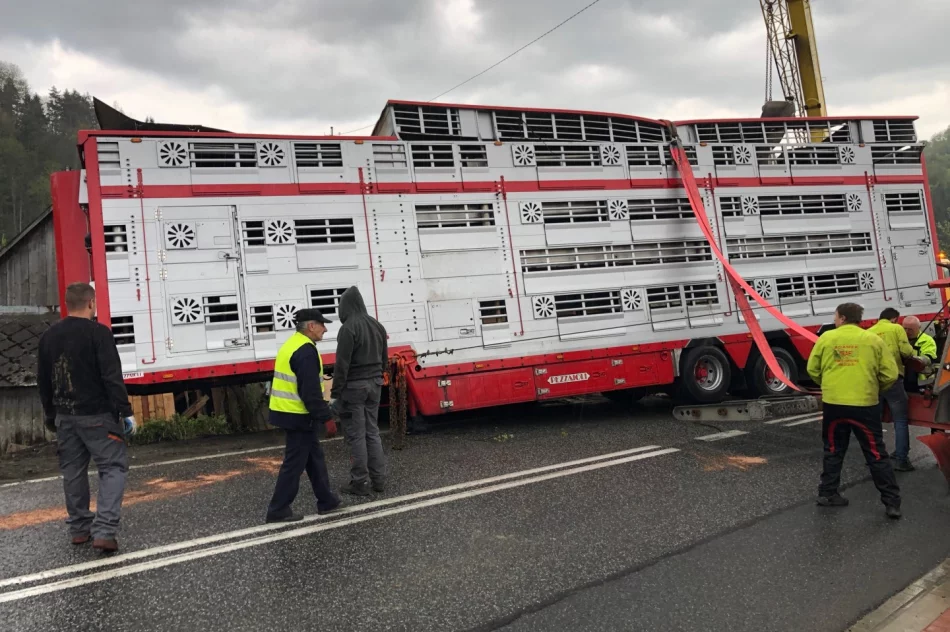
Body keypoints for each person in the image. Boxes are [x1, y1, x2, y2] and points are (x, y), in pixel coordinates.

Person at [37, 282, 136, 552]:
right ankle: (104, 531)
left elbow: (44, 381)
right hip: (98, 416)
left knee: (73, 472)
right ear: (91, 303)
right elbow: (111, 377)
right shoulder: (99, 334)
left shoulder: (48, 337)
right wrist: (126, 411)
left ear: (67, 304)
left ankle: (80, 529)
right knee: (112, 467)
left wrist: (50, 415)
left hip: (65, 416)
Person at [807, 302, 902, 519]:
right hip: (865, 404)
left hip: (834, 405)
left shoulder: (827, 338)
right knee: (875, 453)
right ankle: (891, 503)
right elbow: (890, 374)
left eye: (835, 316)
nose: (834, 320)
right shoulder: (873, 340)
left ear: (842, 318)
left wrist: (829, 385)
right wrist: (875, 388)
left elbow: (812, 369)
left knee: (833, 449)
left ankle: (827, 493)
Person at [266, 308, 342, 523]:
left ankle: (326, 500)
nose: (325, 329)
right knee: (294, 463)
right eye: (322, 325)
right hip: (298, 414)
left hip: (288, 411)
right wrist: (327, 418)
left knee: (314, 457)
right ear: (311, 326)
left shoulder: (292, 344)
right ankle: (278, 509)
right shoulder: (306, 351)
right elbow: (310, 392)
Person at [330, 286, 389, 496]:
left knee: (357, 435)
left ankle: (359, 482)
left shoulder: (348, 328)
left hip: (355, 387)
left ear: (345, 306)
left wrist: (335, 393)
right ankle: (379, 480)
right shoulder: (377, 325)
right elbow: (384, 358)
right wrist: (379, 375)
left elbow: (342, 364)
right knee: (372, 432)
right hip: (375, 385)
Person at [868, 307, 916, 471]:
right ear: (895, 319)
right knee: (900, 420)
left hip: (874, 381)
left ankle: (876, 457)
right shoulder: (896, 329)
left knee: (875, 420)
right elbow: (906, 351)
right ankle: (901, 460)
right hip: (893, 379)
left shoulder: (869, 332)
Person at [903, 315, 939, 392]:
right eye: (905, 328)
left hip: (920, 380)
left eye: (910, 329)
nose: (907, 332)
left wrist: (916, 360)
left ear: (919, 328)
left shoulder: (927, 340)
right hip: (903, 378)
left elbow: (929, 357)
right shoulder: (900, 339)